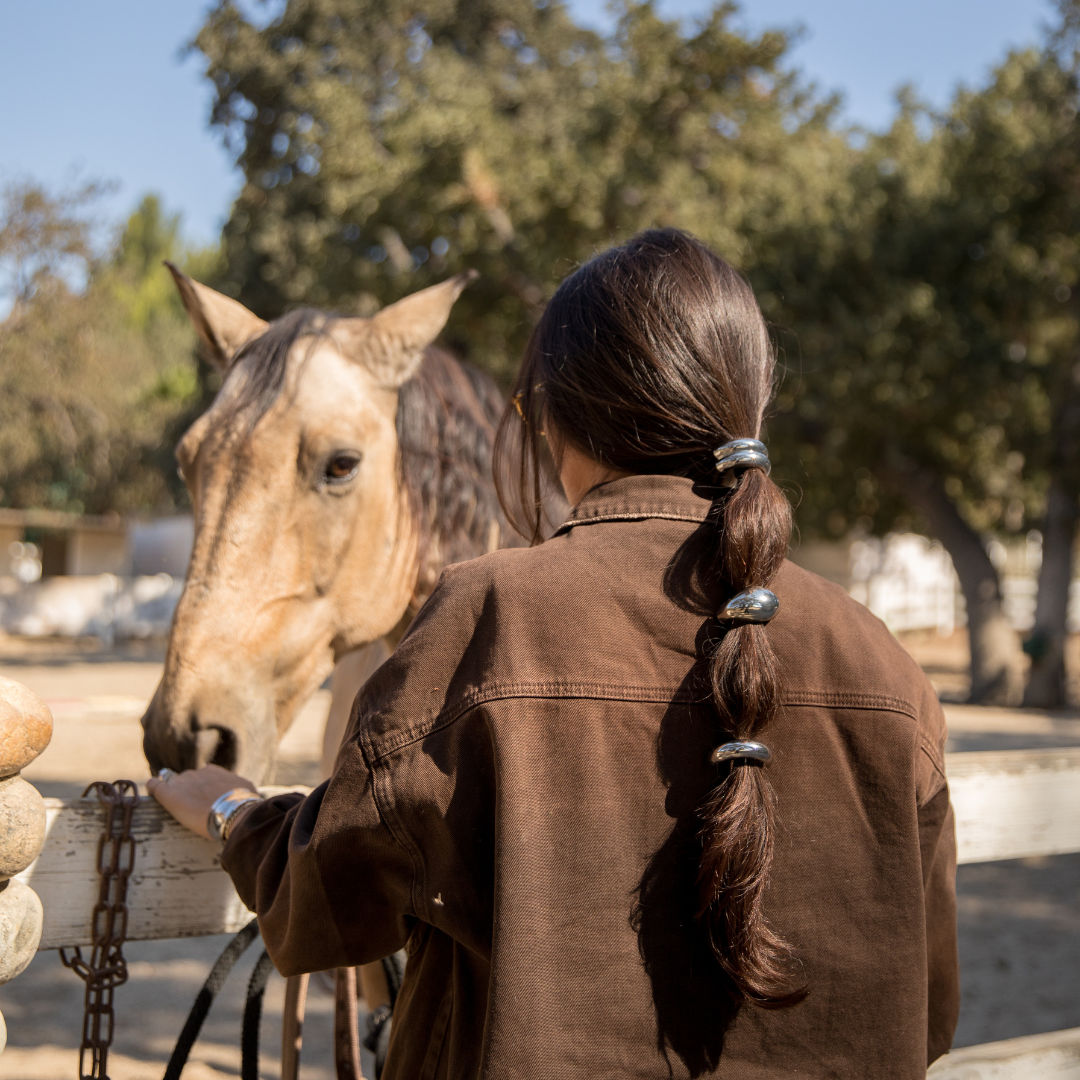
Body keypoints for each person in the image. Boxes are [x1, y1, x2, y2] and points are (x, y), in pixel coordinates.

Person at [150, 228, 958, 1079]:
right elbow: (929, 1012)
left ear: (551, 417)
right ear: (746, 412)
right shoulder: (892, 671)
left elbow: (322, 902)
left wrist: (233, 812)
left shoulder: (486, 619)